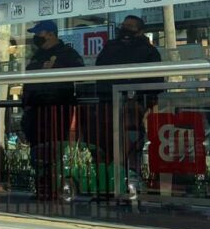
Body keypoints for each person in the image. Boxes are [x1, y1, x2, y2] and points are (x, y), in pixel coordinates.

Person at [91, 15, 162, 191]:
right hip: (107, 105)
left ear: (140, 30)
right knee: (107, 148)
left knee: (131, 150)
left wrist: (146, 107)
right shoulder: (110, 46)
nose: (125, 28)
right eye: (124, 25)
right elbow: (99, 73)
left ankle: (130, 188)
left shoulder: (148, 51)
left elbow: (156, 83)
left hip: (134, 108)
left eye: (130, 26)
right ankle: (108, 187)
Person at [21, 21, 84, 201]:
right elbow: (29, 81)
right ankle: (41, 188)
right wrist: (26, 104)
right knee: (37, 150)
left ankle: (54, 188)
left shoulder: (68, 54)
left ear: (50, 34)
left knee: (54, 149)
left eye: (39, 33)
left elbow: (80, 77)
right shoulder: (37, 56)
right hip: (35, 109)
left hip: (57, 108)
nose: (36, 37)